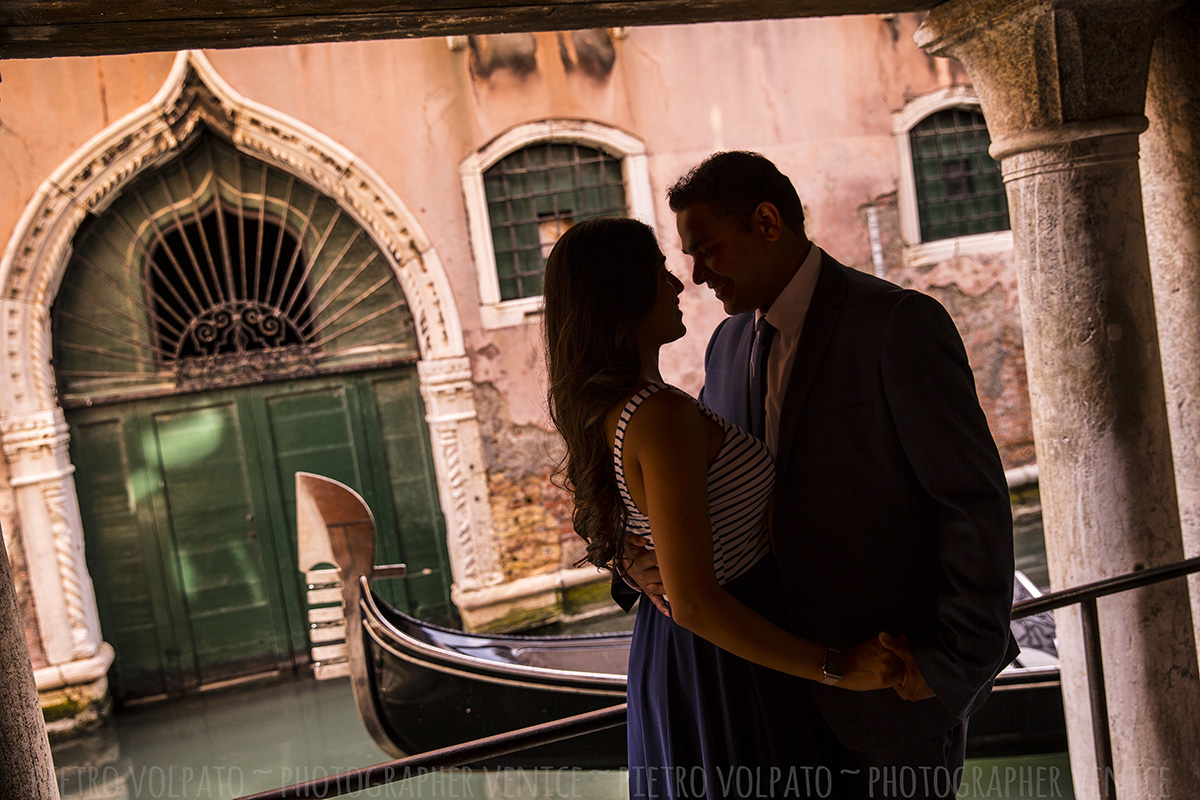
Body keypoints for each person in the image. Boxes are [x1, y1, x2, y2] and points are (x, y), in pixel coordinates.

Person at [619, 151, 1020, 799]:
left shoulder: (897, 325)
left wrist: (955, 667)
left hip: (890, 689)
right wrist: (634, 564)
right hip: (772, 695)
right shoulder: (725, 348)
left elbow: (972, 503)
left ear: (769, 222)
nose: (695, 276)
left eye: (708, 250)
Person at [542, 216, 905, 799]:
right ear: (623, 294)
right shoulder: (658, 417)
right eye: (660, 272)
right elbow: (696, 602)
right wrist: (839, 666)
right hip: (730, 656)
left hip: (693, 655)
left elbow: (641, 530)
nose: (679, 284)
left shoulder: (618, 408)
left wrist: (632, 561)